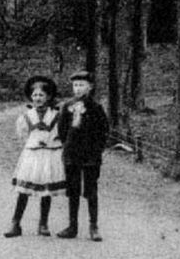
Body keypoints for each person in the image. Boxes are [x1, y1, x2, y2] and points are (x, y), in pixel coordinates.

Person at [4, 75, 67, 238]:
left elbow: (62, 133)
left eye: (41, 95)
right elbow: (22, 135)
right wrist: (33, 142)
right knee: (24, 190)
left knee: (46, 188)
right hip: (32, 155)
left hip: (50, 154)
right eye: (35, 95)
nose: (38, 98)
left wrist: (53, 140)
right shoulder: (26, 116)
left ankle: (43, 223)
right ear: (30, 97)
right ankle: (16, 223)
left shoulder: (56, 115)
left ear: (49, 97)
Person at [56, 70, 109, 242]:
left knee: (91, 190)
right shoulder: (67, 106)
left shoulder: (96, 108)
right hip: (72, 154)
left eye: (82, 85)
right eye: (75, 85)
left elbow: (103, 132)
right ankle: (72, 226)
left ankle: (94, 226)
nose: (78, 89)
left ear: (90, 87)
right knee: (73, 190)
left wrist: (96, 150)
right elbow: (62, 130)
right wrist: (68, 146)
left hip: (90, 156)